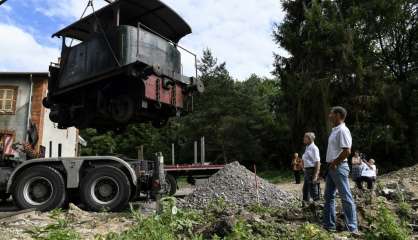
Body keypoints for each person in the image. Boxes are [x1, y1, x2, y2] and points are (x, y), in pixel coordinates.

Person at [323, 106, 358, 234]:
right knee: (328, 197)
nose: (329, 116)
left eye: (331, 113)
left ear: (338, 115)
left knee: (346, 197)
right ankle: (329, 225)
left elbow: (347, 150)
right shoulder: (335, 130)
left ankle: (352, 228)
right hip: (333, 167)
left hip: (338, 166)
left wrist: (335, 163)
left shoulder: (343, 130)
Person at [302, 132, 321, 204]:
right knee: (305, 190)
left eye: (305, 137)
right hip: (307, 171)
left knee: (313, 189)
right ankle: (306, 206)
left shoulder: (314, 148)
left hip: (312, 170)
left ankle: (317, 206)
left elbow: (317, 162)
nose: (303, 139)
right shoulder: (307, 147)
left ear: (310, 139)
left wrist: (315, 175)